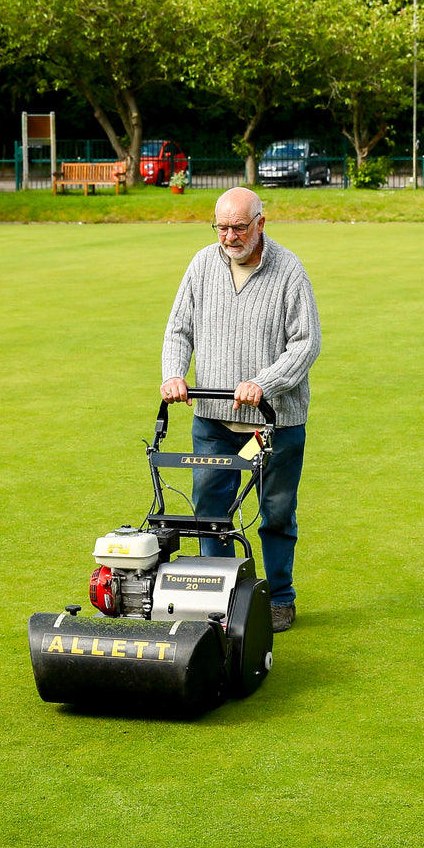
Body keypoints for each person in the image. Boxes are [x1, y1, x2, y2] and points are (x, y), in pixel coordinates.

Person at [161, 186, 321, 632]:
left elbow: (306, 344)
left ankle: (280, 599)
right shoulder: (201, 264)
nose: (229, 237)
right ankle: (222, 600)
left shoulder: (289, 271)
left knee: (276, 511)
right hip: (212, 419)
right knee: (211, 512)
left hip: (272, 426)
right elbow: (179, 329)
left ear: (261, 224)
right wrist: (174, 373)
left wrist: (263, 383)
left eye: (238, 227)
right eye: (222, 227)